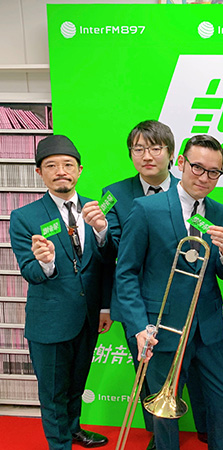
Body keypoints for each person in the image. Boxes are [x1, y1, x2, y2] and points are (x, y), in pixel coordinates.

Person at [114, 135, 223, 450]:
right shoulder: (146, 208)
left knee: (221, 398)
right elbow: (126, 272)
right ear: (181, 162)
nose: (204, 178)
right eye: (197, 167)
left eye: (214, 172)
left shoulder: (221, 211)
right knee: (164, 409)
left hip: (207, 327)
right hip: (162, 327)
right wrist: (138, 327)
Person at [102, 120, 207, 450]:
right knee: (147, 375)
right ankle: (157, 436)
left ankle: (185, 430)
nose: (147, 156)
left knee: (186, 375)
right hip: (137, 303)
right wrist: (100, 231)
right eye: (138, 149)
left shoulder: (189, 189)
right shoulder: (113, 194)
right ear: (130, 154)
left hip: (182, 305)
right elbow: (115, 251)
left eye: (155, 148)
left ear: (172, 154)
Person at [9, 135, 115, 449]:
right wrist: (46, 263)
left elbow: (107, 262)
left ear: (79, 170)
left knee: (76, 384)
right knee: (53, 392)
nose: (61, 171)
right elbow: (29, 272)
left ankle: (73, 428)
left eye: (68, 165)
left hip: (88, 318)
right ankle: (60, 444)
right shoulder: (24, 217)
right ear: (39, 172)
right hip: (50, 322)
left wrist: (102, 231)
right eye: (51, 166)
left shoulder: (97, 209)